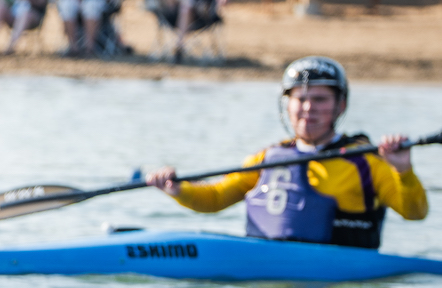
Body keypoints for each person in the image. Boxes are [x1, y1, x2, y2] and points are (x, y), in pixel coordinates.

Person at [145, 56, 425, 250]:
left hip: (342, 283)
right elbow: (216, 198)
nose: (308, 109)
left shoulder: (366, 161)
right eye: (300, 99)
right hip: (273, 286)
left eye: (320, 99)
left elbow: (415, 213)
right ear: (287, 105)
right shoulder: (268, 157)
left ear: (340, 106)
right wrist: (178, 189)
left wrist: (403, 170)